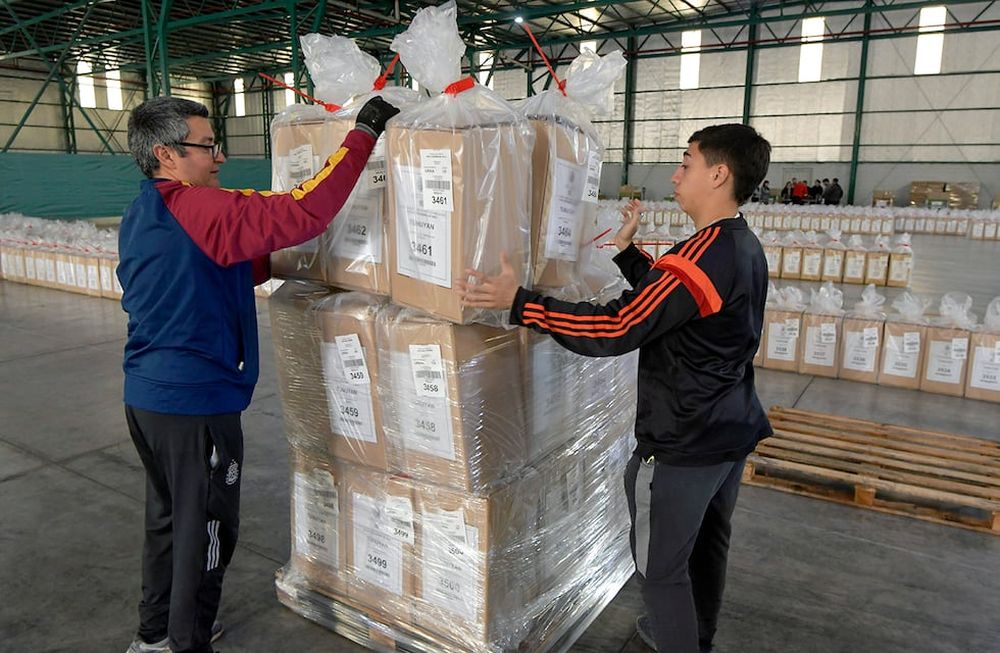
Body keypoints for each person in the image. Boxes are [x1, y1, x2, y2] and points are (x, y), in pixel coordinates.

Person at [458, 123, 774, 653]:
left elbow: (617, 327)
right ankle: (695, 637)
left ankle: (680, 640)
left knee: (660, 570)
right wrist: (629, 255)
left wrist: (521, 303)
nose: (676, 175)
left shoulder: (699, 258)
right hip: (729, 430)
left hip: (685, 441)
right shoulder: (739, 245)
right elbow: (679, 305)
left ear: (719, 174)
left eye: (687, 163)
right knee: (705, 549)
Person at [118, 94, 399, 653]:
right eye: (207, 146)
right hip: (196, 401)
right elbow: (305, 210)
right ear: (166, 154)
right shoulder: (201, 206)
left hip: (147, 397)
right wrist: (364, 133)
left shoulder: (145, 211)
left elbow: (225, 269)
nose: (219, 157)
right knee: (208, 528)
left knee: (168, 520)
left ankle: (154, 635)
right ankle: (188, 642)